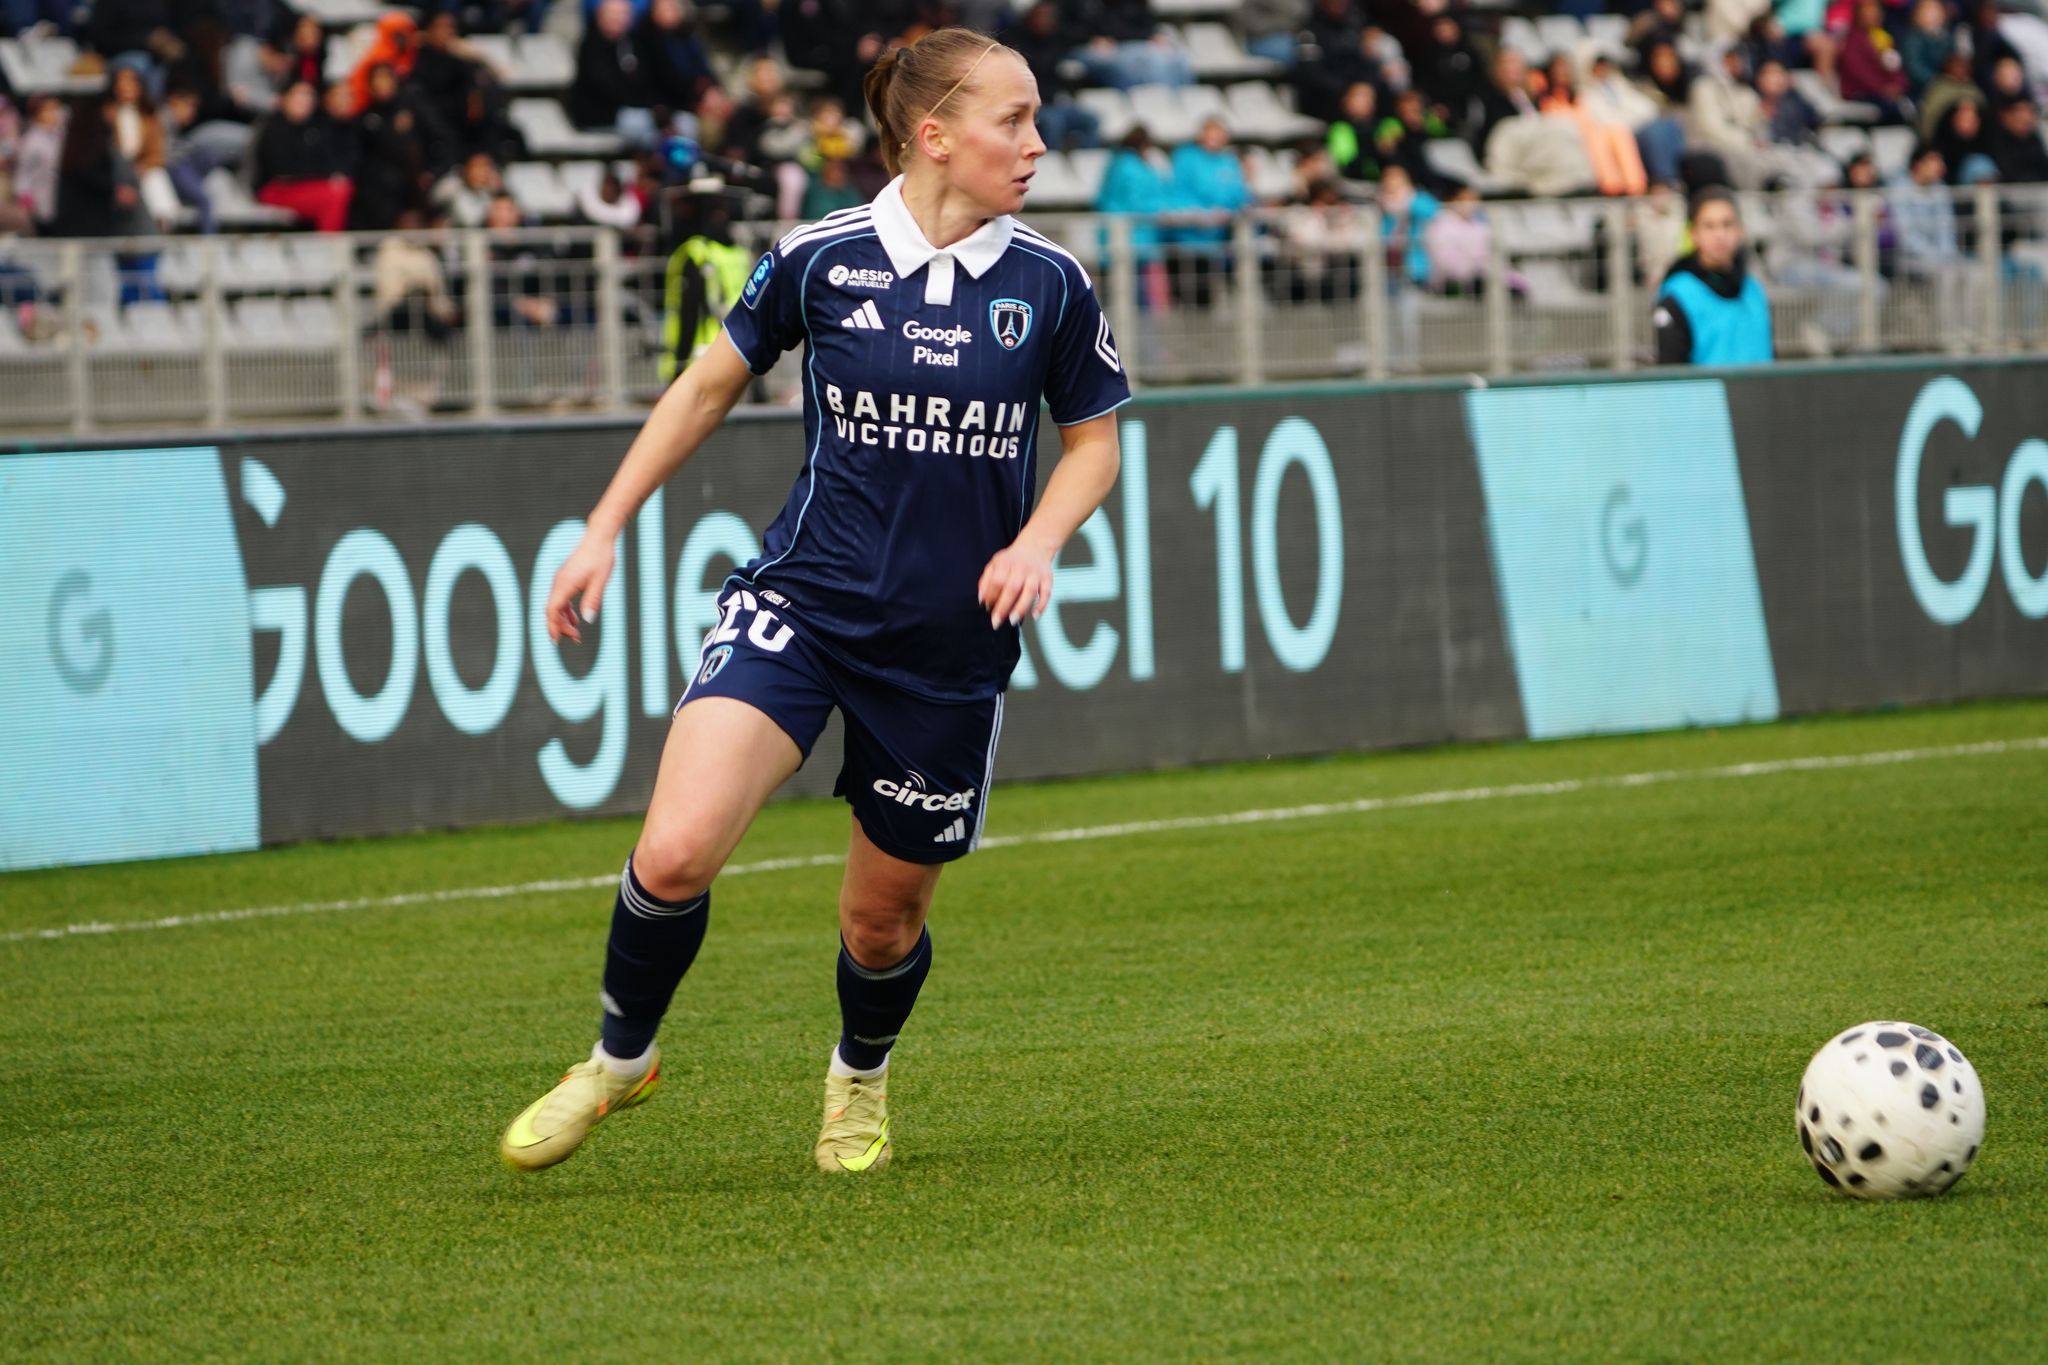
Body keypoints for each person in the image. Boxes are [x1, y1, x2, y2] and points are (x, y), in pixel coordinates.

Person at [498, 26, 1129, 1178]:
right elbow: (706, 386)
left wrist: (1038, 540)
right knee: (673, 852)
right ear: (933, 136)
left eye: (1036, 119)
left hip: (944, 650)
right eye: (1013, 120)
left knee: (879, 927)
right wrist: (601, 528)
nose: (1037, 143)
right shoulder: (822, 257)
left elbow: (1093, 446)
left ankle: (858, 1078)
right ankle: (620, 1059)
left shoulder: (1049, 283)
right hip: (800, 607)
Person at [1654, 186, 1774, 365]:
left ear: (1740, 230)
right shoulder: (1678, 295)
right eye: (1709, 226)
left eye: (1727, 224)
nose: (1720, 235)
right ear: (1693, 234)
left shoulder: (1754, 291)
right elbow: (1671, 368)